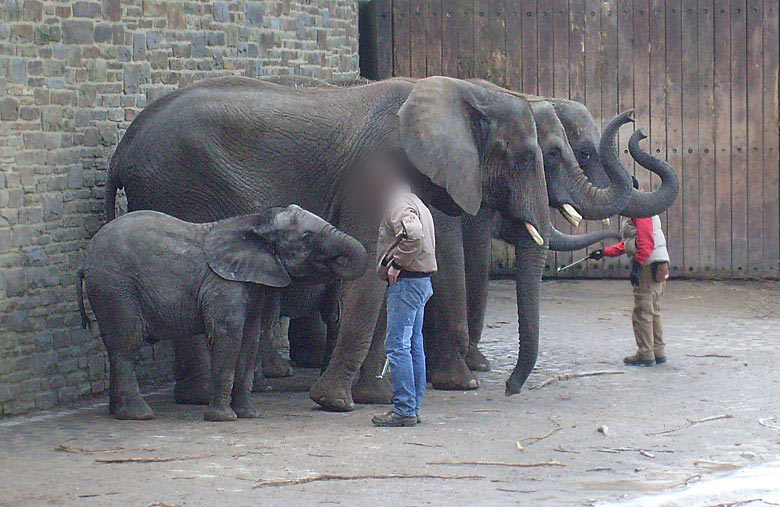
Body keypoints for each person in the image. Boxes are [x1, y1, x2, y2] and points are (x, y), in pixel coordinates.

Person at [372, 185, 436, 427]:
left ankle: (404, 409)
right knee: (413, 345)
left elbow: (414, 234)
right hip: (422, 282)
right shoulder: (417, 203)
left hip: (407, 283)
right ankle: (413, 407)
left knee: (397, 345)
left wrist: (397, 264)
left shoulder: (398, 205)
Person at [590, 177, 670, 366]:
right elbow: (630, 243)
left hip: (648, 265)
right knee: (653, 309)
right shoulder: (644, 204)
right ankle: (658, 351)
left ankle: (645, 354)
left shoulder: (639, 208)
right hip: (659, 262)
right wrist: (605, 252)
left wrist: (637, 266)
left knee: (642, 310)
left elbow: (646, 241)